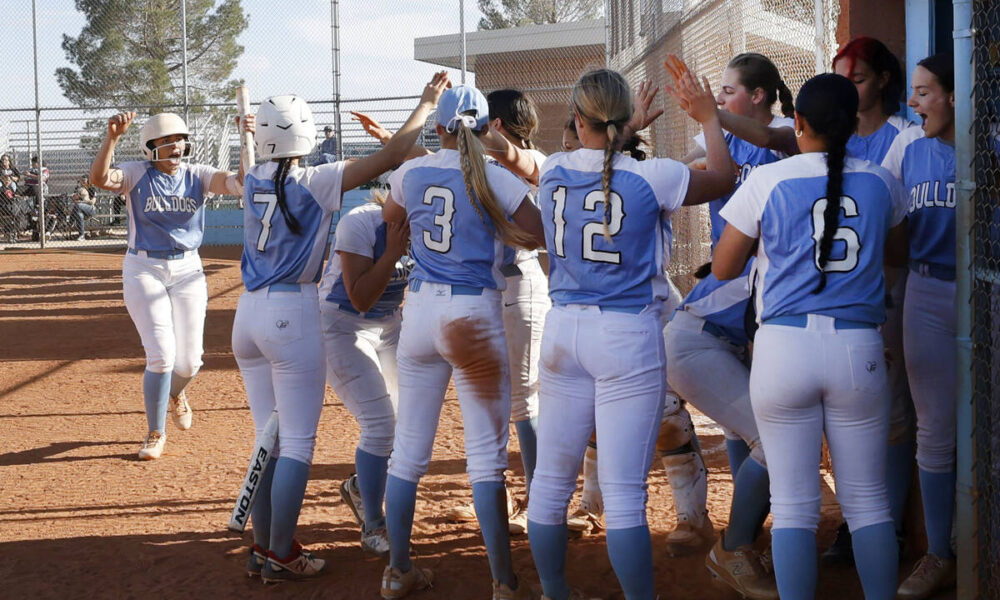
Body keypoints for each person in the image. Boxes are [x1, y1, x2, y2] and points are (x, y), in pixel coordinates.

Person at [527, 66, 734, 600]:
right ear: (623, 124)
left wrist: (623, 130)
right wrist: (709, 119)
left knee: (550, 486)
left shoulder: (552, 169)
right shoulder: (655, 175)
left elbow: (594, 161)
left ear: (576, 119)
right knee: (622, 495)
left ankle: (554, 592)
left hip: (562, 330)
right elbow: (725, 176)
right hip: (625, 334)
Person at [235, 74, 449, 583]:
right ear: (305, 134)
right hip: (292, 312)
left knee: (270, 439)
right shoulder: (315, 180)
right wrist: (424, 104)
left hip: (247, 316)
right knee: (297, 444)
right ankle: (281, 552)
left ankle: (267, 546)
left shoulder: (252, 177)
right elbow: (395, 154)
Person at [712, 73, 908, 600]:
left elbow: (725, 267)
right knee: (868, 503)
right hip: (856, 348)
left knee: (795, 504)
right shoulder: (880, 180)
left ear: (796, 123)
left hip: (783, 348)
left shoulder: (769, 180)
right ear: (852, 127)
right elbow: (897, 254)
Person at [379, 84, 545, 600]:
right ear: (485, 127)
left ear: (441, 127)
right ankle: (503, 581)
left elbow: (392, 223)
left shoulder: (410, 172)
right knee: (486, 459)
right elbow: (539, 233)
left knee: (407, 452)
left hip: (421, 308)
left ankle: (397, 569)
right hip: (473, 310)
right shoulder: (494, 175)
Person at [661, 52, 799, 599]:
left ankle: (745, 537)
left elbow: (775, 140)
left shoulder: (788, 131)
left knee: (754, 431)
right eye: (716, 93)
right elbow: (694, 162)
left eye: (728, 91)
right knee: (763, 434)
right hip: (727, 301)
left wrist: (709, 117)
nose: (718, 100)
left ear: (760, 95)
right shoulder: (724, 138)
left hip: (752, 303)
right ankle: (735, 543)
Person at [90, 111, 246, 460]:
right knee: (161, 355)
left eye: (179, 139)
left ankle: (176, 393)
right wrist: (111, 138)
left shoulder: (197, 175)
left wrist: (243, 140)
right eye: (166, 140)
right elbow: (99, 178)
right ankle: (155, 431)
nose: (176, 145)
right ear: (151, 148)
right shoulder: (135, 173)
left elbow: (239, 183)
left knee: (190, 362)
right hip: (144, 266)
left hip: (188, 267)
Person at [824, 35, 917, 566]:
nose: (848, 88)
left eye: (857, 78)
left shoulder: (902, 137)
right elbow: (772, 135)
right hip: (841, 304)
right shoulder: (829, 138)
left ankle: (891, 526)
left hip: (889, 295)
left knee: (895, 414)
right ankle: (854, 523)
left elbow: (899, 240)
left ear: (883, 80)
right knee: (845, 413)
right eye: (841, 79)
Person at [881, 53, 958, 600]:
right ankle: (939, 553)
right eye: (913, 91)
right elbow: (879, 205)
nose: (914, 102)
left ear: (955, 96)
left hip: (985, 291)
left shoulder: (988, 143)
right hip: (927, 289)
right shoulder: (909, 145)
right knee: (932, 425)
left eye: (925, 92)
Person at [319, 193, 412, 557]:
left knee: (406, 427)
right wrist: (391, 252)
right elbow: (359, 298)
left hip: (390, 325)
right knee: (380, 425)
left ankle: (361, 486)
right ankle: (373, 523)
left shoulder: (431, 224)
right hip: (342, 325)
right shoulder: (360, 222)